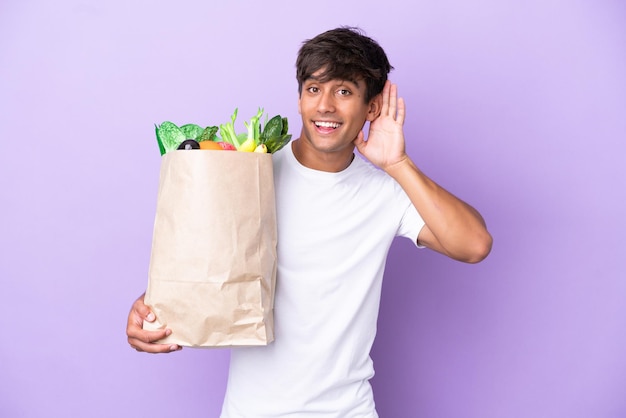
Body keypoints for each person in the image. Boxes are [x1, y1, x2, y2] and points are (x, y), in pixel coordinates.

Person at [127, 26, 492, 417]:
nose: (326, 106)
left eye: (345, 91)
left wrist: (398, 164)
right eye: (314, 89)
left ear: (372, 108)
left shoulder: (386, 191)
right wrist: (152, 309)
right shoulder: (250, 175)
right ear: (300, 99)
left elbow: (473, 245)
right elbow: (202, 266)